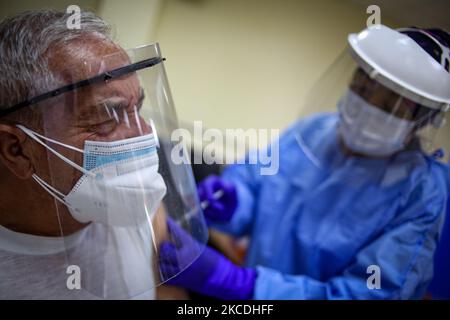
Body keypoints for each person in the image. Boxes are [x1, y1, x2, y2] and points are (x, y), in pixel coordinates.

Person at [159, 25, 450, 299]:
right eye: (362, 90)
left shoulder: (420, 192)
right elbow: (254, 183)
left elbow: (369, 292)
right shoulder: (313, 132)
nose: (367, 108)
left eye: (389, 106)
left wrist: (242, 284)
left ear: (424, 119)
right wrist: (235, 204)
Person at [0, 10, 208, 299]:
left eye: (138, 109)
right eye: (106, 117)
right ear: (16, 149)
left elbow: (170, 297)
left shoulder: (137, 208)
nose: (144, 133)